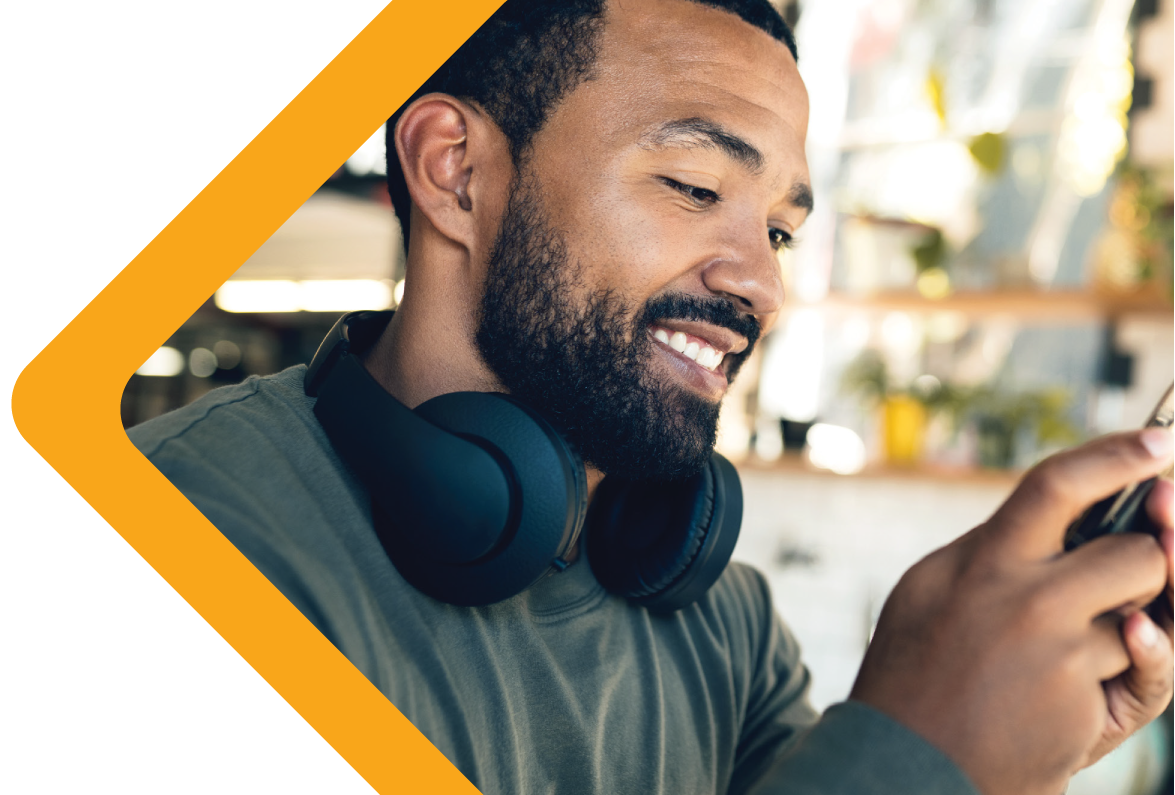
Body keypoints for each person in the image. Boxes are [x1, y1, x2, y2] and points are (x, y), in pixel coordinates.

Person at [128, 1, 1175, 793]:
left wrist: (998, 748)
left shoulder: (722, 620)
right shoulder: (200, 540)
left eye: (776, 229)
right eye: (692, 188)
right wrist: (916, 751)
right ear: (454, 171)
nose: (760, 282)